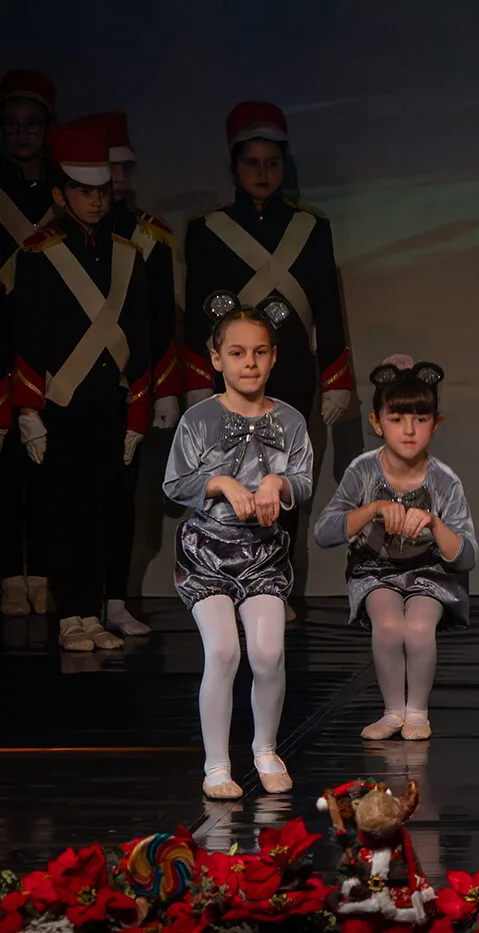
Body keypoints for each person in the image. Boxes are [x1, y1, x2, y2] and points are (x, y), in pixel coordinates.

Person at [183, 101, 355, 618]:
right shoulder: (208, 229)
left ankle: (274, 586)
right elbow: (195, 314)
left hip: (291, 371)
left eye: (272, 163)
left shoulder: (311, 228)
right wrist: (197, 380)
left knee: (282, 482)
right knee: (227, 481)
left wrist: (337, 378)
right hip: (230, 381)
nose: (262, 173)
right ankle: (226, 585)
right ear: (235, 166)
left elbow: (327, 307)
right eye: (252, 163)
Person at [6, 123, 153, 651]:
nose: (95, 200)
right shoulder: (38, 253)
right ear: (60, 193)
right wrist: (28, 411)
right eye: (82, 190)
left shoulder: (128, 254)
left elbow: (140, 339)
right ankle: (71, 616)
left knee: (105, 512)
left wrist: (137, 415)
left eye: (102, 190)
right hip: (61, 406)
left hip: (110, 404)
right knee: (65, 515)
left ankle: (93, 614)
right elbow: (26, 338)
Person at [163, 290, 313, 799]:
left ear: (273, 357)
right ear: (216, 359)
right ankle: (217, 765)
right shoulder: (198, 419)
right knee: (224, 651)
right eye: (237, 352)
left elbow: (304, 480)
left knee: (268, 654)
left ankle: (265, 748)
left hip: (262, 554)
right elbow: (175, 483)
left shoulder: (291, 421)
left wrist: (277, 484)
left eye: (260, 352)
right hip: (208, 553)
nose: (249, 363)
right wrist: (222, 483)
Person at [316, 356, 477, 742]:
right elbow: (324, 532)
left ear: (435, 423)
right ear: (377, 422)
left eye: (420, 419)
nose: (408, 430)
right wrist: (371, 509)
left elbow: (467, 555)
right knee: (388, 624)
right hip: (375, 568)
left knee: (419, 627)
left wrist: (434, 524)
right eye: (397, 418)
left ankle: (417, 712)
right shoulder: (363, 471)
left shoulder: (444, 482)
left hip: (430, 570)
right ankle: (392, 711)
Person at [86, 110, 181, 635]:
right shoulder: (60, 242)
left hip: (131, 387)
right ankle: (76, 605)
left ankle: (117, 599)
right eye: (109, 169)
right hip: (71, 388)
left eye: (125, 169)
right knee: (73, 502)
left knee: (123, 499)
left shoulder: (149, 237)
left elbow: (161, 321)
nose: (118, 180)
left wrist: (165, 390)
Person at [0, 68, 58, 619]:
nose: (21, 134)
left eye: (31, 124)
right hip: (0, 342)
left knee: (46, 469)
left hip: (52, 346)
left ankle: (41, 571)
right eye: (12, 124)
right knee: (5, 471)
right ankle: (8, 577)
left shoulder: (65, 189)